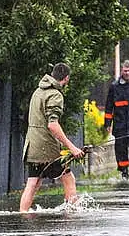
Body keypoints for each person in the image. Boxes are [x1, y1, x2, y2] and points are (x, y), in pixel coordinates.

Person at [19, 62, 84, 213]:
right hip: (47, 147)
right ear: (66, 78)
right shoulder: (55, 95)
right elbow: (52, 125)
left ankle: (22, 214)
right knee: (68, 178)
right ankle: (72, 212)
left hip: (32, 144)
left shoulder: (38, 91)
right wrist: (72, 148)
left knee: (33, 182)